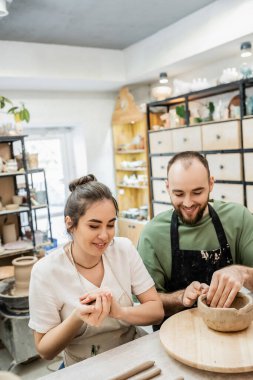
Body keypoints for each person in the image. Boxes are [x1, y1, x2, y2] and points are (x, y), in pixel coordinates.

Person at [29, 174, 164, 367]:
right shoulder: (46, 272)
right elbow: (45, 349)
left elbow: (156, 310)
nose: (104, 235)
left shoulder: (123, 249)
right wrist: (77, 317)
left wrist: (120, 312)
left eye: (110, 225)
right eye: (94, 226)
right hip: (83, 365)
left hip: (132, 351)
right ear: (70, 223)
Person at [138, 151, 253, 327]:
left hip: (231, 329)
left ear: (211, 184)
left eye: (197, 192)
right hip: (176, 336)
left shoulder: (239, 218)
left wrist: (242, 273)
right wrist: (180, 297)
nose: (188, 202)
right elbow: (145, 305)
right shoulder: (152, 235)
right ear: (167, 187)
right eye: (178, 194)